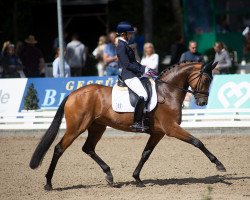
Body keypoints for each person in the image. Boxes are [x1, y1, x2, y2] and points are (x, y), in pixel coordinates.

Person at [116, 21, 156, 132]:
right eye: (129, 33)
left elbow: (133, 62)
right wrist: (142, 70)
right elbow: (127, 64)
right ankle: (137, 122)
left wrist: (146, 70)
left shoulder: (125, 45)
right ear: (124, 34)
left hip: (134, 74)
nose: (131, 35)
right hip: (129, 76)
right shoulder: (120, 46)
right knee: (143, 94)